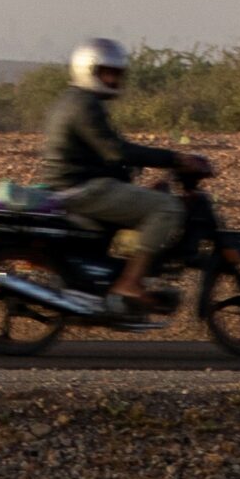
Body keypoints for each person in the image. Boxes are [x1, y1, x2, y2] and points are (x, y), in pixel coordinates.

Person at [39, 39, 210, 316]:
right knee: (167, 207)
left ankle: (115, 278)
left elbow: (102, 154)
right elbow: (115, 151)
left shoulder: (75, 101)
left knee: (151, 199)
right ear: (89, 70)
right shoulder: (85, 105)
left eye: (117, 73)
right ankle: (130, 283)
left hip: (73, 185)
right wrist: (174, 158)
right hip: (82, 189)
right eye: (108, 72)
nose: (114, 79)